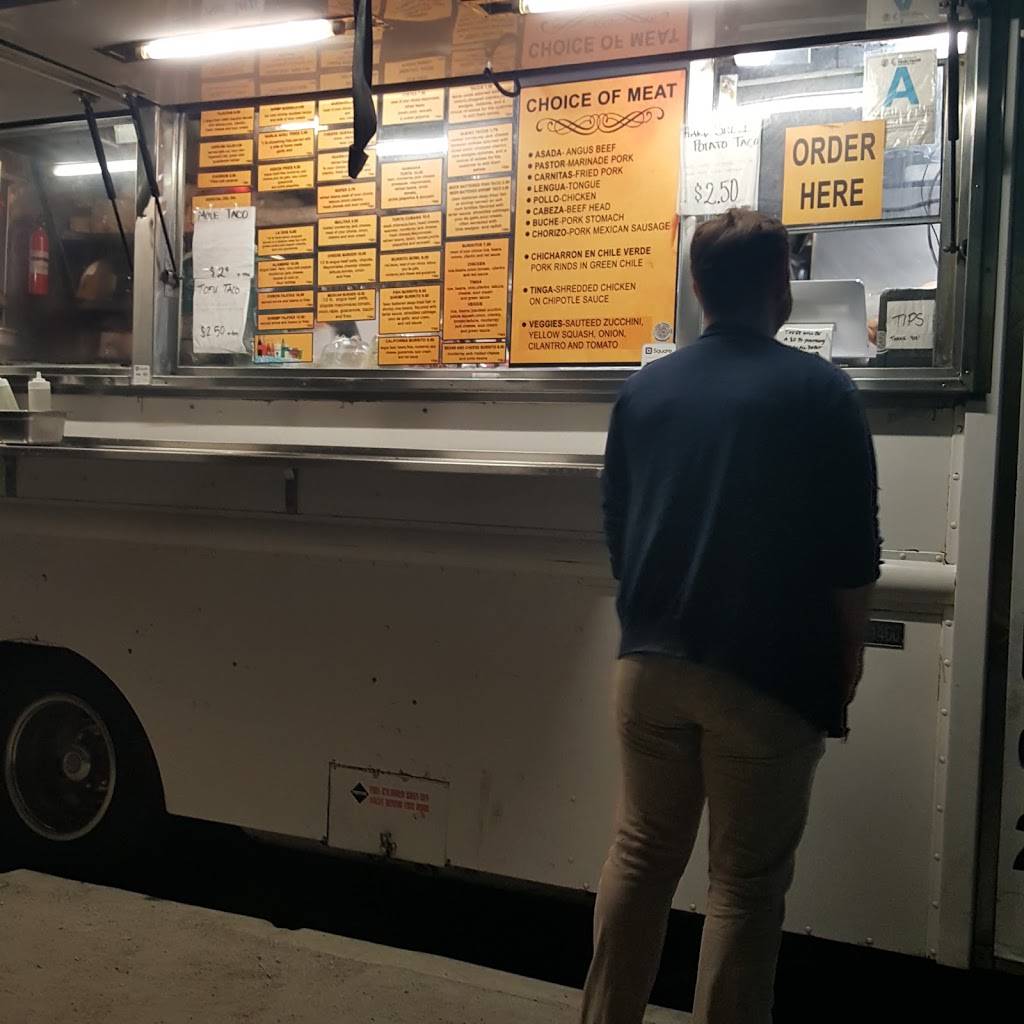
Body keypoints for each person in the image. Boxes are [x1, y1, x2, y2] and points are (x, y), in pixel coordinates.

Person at [581, 208, 881, 1024]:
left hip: (649, 666)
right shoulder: (823, 392)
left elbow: (618, 530)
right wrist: (847, 658)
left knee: (640, 855)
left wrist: (652, 624)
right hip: (766, 676)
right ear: (782, 287)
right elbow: (853, 554)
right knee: (743, 887)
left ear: (696, 286)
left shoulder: (644, 390)